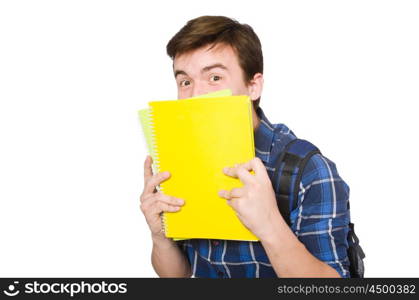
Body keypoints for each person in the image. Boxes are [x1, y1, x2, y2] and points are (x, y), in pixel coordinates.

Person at [140, 16, 351, 278]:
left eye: (214, 77)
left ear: (253, 86)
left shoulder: (310, 171)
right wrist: (161, 238)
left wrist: (270, 224)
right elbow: (179, 276)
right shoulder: (179, 159)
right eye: (185, 82)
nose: (194, 96)